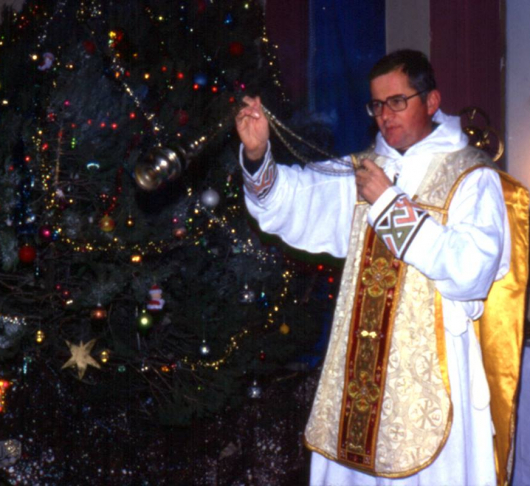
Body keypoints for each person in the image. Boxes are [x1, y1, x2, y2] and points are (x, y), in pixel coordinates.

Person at [235, 49, 528, 486]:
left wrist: (389, 205)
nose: (385, 115)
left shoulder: (471, 177)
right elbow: (293, 200)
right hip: (360, 383)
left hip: (432, 383)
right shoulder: (365, 170)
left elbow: (471, 270)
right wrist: (258, 155)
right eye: (377, 105)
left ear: (431, 101)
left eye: (398, 101)